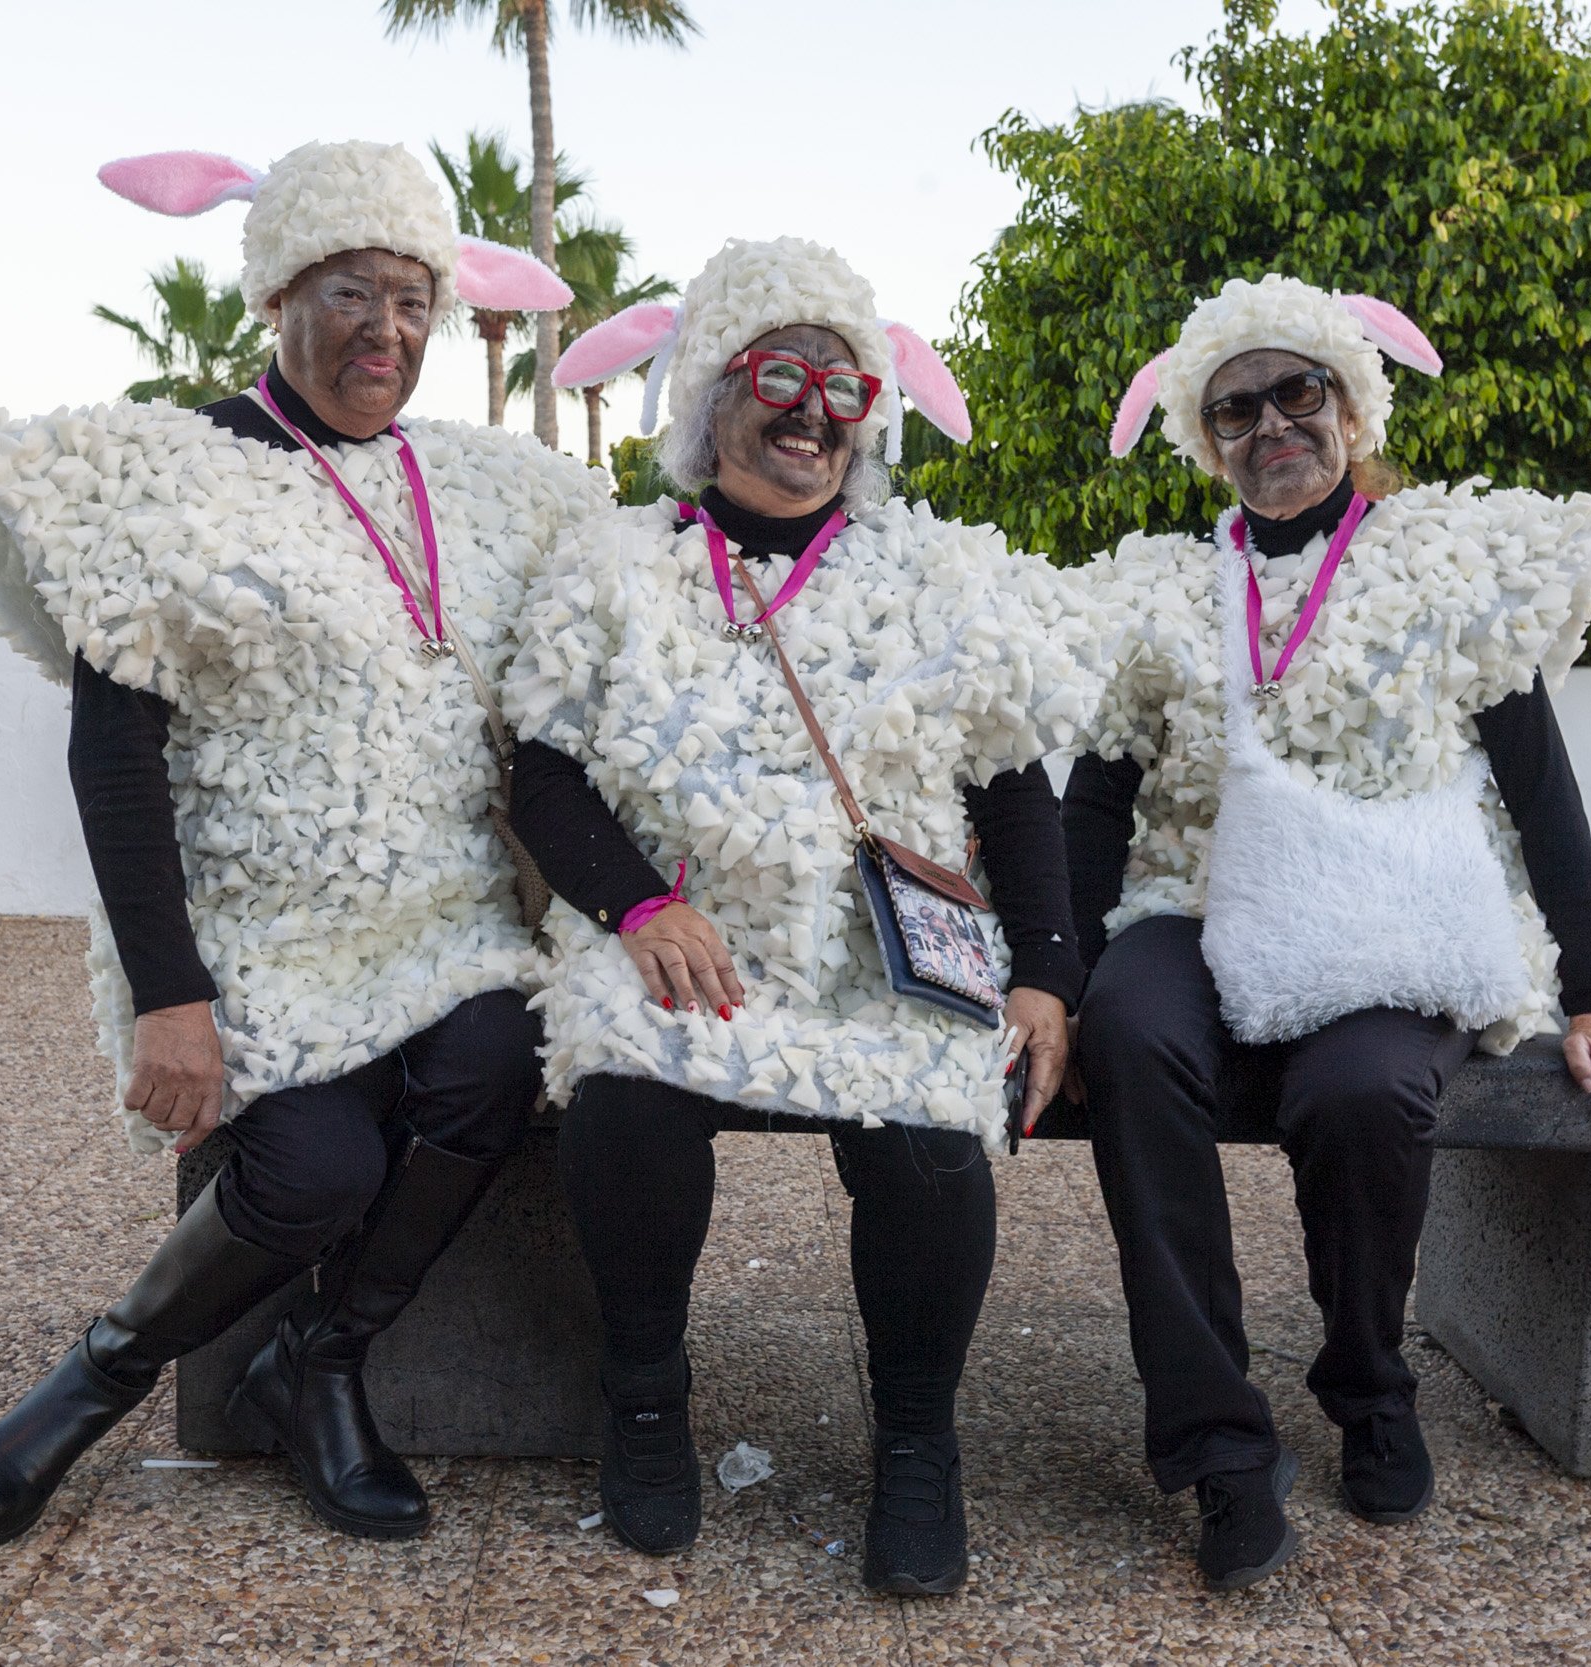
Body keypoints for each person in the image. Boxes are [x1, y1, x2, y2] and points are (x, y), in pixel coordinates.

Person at [0, 139, 607, 1546]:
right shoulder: (171, 470)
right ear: (277, 292)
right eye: (353, 292)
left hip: (446, 917)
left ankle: (325, 1360)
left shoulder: (483, 487)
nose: (389, 330)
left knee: (494, 1061)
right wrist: (171, 996)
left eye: (417, 300)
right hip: (256, 928)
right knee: (319, 1171)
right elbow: (111, 757)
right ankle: (97, 1377)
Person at [1064, 274, 1591, 1590]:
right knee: (1129, 1026)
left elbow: (1540, 789)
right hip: (1195, 902)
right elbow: (1098, 800)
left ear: (1351, 404)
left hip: (1392, 911)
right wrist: (1053, 984)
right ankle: (1219, 1450)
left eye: (1300, 392)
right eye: (1237, 407)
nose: (1272, 423)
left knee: (1363, 1090)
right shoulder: (1168, 592)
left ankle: (1367, 1381)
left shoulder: (1449, 564)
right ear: (1205, 437)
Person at [499, 236, 1097, 1595]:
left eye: (843, 385)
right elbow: (543, 768)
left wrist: (1047, 974)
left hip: (884, 959)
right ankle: (646, 1401)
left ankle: (917, 1447)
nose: (811, 410)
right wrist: (637, 902)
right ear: (708, 394)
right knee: (628, 1098)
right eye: (779, 374)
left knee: (934, 1140)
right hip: (683, 938)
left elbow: (1014, 785)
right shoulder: (616, 563)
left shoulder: (937, 574)